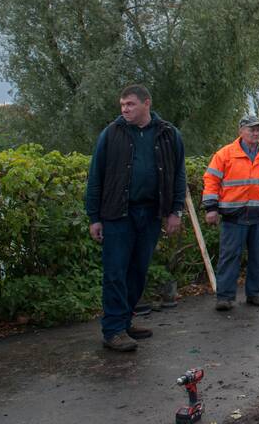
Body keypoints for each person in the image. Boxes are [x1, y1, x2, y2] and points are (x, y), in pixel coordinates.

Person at [85, 84, 186, 352]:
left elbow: (178, 175)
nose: (125, 110)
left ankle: (125, 320)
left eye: (130, 104)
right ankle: (113, 330)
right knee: (115, 271)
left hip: (151, 213)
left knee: (138, 271)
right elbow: (96, 176)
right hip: (118, 213)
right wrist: (94, 217)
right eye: (122, 105)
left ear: (146, 103)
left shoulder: (168, 134)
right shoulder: (111, 133)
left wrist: (175, 211)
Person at [202, 115, 259, 311]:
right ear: (241, 131)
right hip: (234, 216)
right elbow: (211, 181)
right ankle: (224, 297)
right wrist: (211, 208)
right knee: (229, 256)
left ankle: (255, 293)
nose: (256, 132)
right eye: (251, 129)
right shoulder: (224, 154)